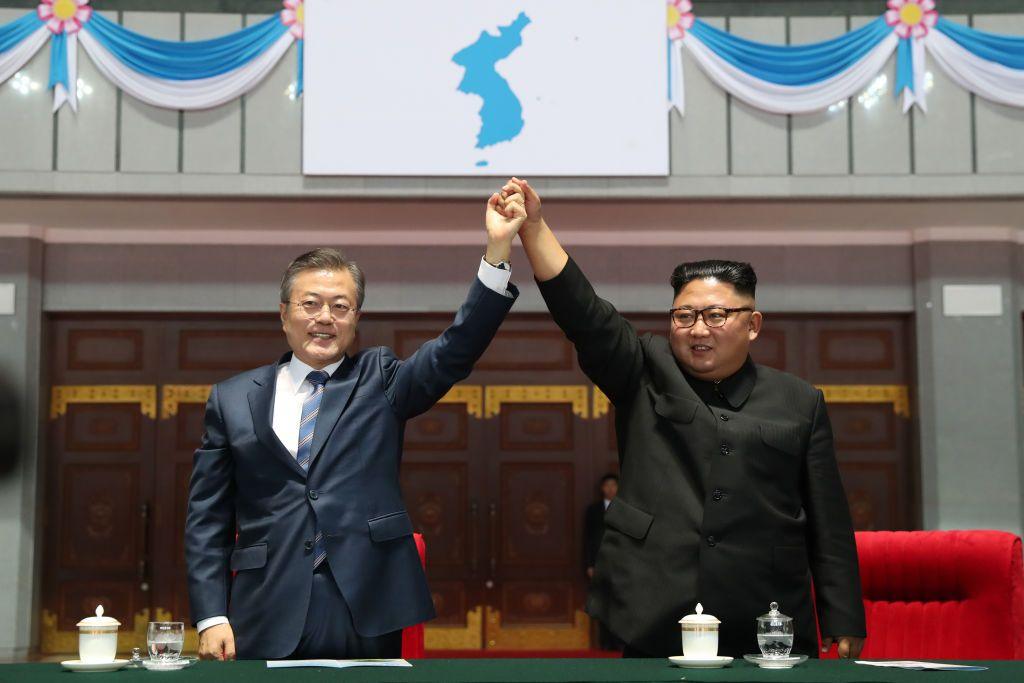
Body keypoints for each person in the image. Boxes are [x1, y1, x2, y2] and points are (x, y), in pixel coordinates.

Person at [499, 178, 866, 659]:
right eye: (683, 316)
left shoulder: (799, 400)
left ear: (752, 324)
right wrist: (535, 228)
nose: (697, 330)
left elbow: (828, 521)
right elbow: (583, 312)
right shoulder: (645, 368)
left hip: (766, 609)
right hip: (656, 601)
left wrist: (842, 616)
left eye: (715, 316)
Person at [185, 189, 527, 661]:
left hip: (363, 599)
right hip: (264, 601)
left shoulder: (380, 378)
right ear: (284, 314)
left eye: (340, 306)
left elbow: (456, 348)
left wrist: (497, 252)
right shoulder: (232, 398)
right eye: (310, 304)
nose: (325, 317)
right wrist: (210, 615)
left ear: (356, 319)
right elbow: (208, 518)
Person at [583, 473, 622, 651]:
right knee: (602, 602)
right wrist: (589, 564)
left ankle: (620, 642)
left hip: (622, 564)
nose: (610, 489)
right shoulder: (593, 510)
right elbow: (587, 539)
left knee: (620, 603)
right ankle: (604, 642)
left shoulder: (625, 509)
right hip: (600, 563)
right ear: (602, 488)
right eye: (607, 485)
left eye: (614, 485)